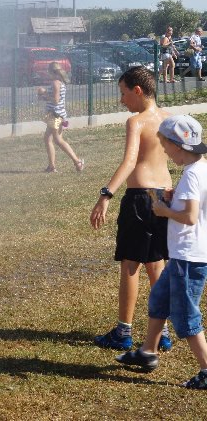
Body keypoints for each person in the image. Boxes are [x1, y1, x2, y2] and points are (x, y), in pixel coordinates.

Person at [115, 115, 207, 389]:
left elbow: (190, 216)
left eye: (165, 145)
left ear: (177, 145)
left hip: (188, 258)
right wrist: (174, 198)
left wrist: (164, 210)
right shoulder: (201, 168)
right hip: (185, 255)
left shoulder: (191, 175)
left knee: (186, 316)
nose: (164, 151)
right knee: (158, 299)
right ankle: (148, 352)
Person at [90, 66, 173, 351]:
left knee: (130, 265)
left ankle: (123, 331)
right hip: (164, 198)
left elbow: (129, 161)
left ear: (138, 90)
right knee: (157, 265)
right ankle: (162, 332)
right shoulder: (169, 118)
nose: (121, 100)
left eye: (124, 93)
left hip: (139, 200)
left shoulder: (136, 121)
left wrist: (106, 195)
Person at [37, 62, 84, 173]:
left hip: (55, 115)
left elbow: (56, 100)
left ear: (51, 72)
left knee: (57, 140)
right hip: (56, 114)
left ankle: (77, 162)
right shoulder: (59, 82)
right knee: (49, 139)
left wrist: (44, 93)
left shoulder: (55, 83)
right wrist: (43, 96)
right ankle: (52, 166)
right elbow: (54, 98)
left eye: (48, 71)